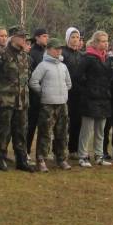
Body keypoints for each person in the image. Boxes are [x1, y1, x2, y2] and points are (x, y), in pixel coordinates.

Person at [0, 25, 33, 171]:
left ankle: (21, 160)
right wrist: (2, 89)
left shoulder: (25, 56)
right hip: (6, 101)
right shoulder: (2, 54)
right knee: (3, 131)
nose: (24, 39)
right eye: (21, 37)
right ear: (13, 38)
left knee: (21, 131)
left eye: (25, 37)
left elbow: (27, 75)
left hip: (22, 101)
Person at [30, 37, 72, 171]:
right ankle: (41, 159)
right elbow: (33, 82)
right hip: (47, 105)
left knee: (62, 133)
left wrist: (63, 92)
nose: (59, 51)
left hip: (62, 104)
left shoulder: (63, 66)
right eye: (56, 49)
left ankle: (61, 158)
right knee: (45, 133)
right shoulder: (43, 66)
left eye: (60, 49)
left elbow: (69, 83)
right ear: (48, 49)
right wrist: (44, 92)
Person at [76, 30, 112, 167]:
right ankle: (83, 156)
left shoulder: (107, 59)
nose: (105, 44)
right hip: (90, 99)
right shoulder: (87, 58)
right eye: (102, 41)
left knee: (100, 130)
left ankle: (99, 155)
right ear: (95, 43)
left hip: (104, 98)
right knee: (87, 130)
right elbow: (78, 76)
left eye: (106, 41)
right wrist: (88, 89)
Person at [63, 27, 85, 156]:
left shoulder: (82, 55)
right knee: (62, 123)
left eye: (77, 37)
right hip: (65, 92)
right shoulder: (63, 53)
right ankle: (57, 149)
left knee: (77, 122)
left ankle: (73, 149)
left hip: (78, 93)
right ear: (67, 38)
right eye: (73, 37)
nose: (76, 40)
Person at [26, 28, 49, 152]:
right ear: (37, 37)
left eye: (47, 36)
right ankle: (27, 150)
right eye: (44, 36)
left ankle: (42, 152)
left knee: (44, 125)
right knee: (31, 123)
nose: (47, 38)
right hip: (33, 94)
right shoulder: (32, 53)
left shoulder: (46, 52)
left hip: (45, 93)